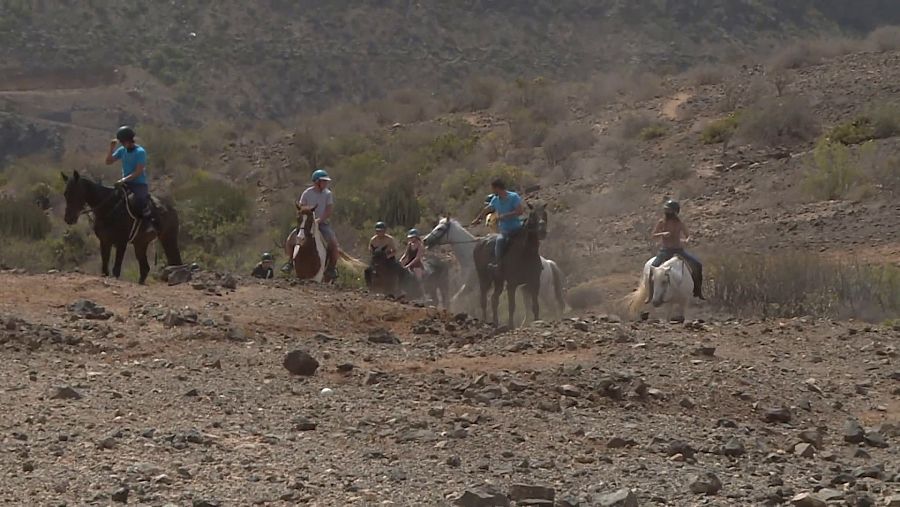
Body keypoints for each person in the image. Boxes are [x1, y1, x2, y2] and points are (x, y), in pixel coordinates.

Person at [650, 199, 704, 299]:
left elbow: (688, 235)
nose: (667, 212)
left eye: (669, 210)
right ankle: (651, 294)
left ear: (675, 212)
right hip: (665, 250)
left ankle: (697, 290)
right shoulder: (662, 222)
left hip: (678, 250)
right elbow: (653, 235)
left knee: (697, 265)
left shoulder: (680, 223)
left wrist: (687, 240)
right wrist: (662, 234)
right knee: (653, 267)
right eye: (666, 210)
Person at [105, 125, 154, 232]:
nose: (122, 144)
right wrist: (111, 148)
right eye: (121, 142)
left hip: (138, 184)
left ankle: (150, 223)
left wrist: (123, 180)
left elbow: (138, 172)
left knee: (140, 201)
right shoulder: (122, 150)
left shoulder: (140, 152)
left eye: (123, 142)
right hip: (126, 183)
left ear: (129, 140)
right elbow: (108, 162)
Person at [471, 179, 525, 270]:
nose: (492, 191)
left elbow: (520, 211)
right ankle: (498, 264)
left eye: (493, 189)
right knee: (499, 241)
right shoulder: (495, 199)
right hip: (505, 230)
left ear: (497, 188)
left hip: (516, 228)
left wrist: (505, 215)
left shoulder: (513, 197)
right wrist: (478, 219)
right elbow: (487, 209)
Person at [297, 169, 339, 280]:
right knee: (290, 240)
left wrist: (318, 221)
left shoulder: (328, 194)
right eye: (323, 181)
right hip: (306, 223)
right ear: (316, 182)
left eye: (326, 182)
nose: (326, 184)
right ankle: (290, 263)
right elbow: (301, 208)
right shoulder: (307, 193)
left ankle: (331, 268)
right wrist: (308, 221)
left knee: (333, 244)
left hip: (322, 224)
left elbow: (329, 210)